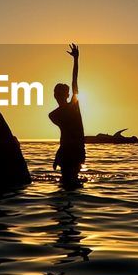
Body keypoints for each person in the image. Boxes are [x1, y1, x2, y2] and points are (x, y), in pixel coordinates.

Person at [49, 43, 85, 188]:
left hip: (75, 150)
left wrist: (76, 60)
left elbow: (74, 81)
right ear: (54, 96)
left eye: (61, 94)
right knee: (65, 182)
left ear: (67, 95)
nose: (58, 96)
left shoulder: (73, 105)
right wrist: (59, 154)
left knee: (72, 182)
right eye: (57, 94)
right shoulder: (54, 114)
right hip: (65, 150)